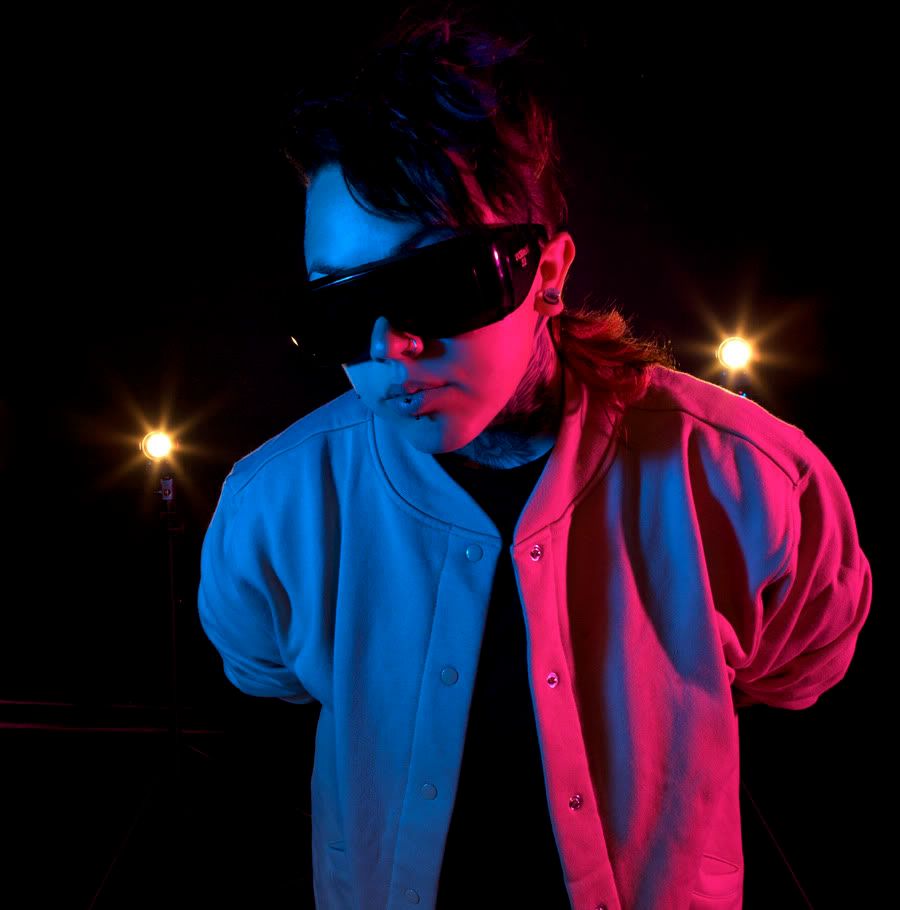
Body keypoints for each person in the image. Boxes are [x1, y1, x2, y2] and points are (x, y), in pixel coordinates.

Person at [196, 7, 873, 909]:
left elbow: (805, 660)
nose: (389, 346)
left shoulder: (753, 482)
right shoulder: (274, 509)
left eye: (439, 280)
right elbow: (262, 670)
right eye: (339, 306)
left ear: (547, 273)